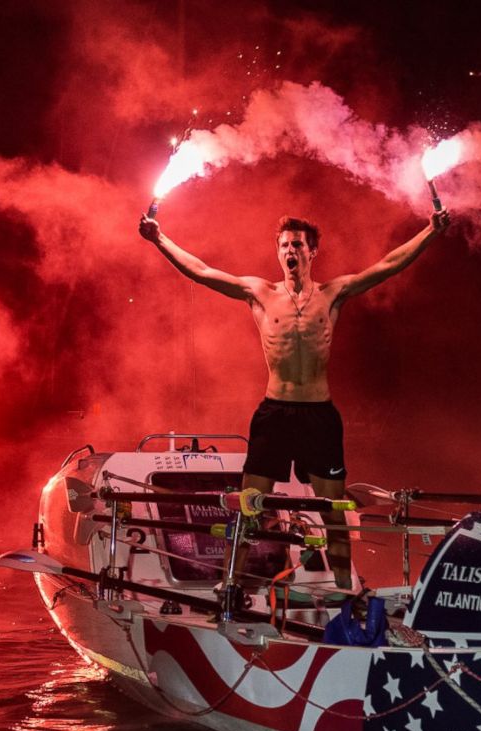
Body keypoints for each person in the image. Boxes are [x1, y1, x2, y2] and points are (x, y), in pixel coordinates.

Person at [138, 207, 450, 594]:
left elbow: (388, 265)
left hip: (319, 415)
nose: (290, 250)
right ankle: (231, 584)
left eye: (297, 244)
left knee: (333, 511)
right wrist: (159, 239)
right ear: (277, 251)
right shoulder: (259, 293)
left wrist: (431, 233)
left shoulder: (333, 294)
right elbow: (201, 271)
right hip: (275, 413)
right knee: (251, 504)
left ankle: (345, 591)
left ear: (311, 251)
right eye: (284, 244)